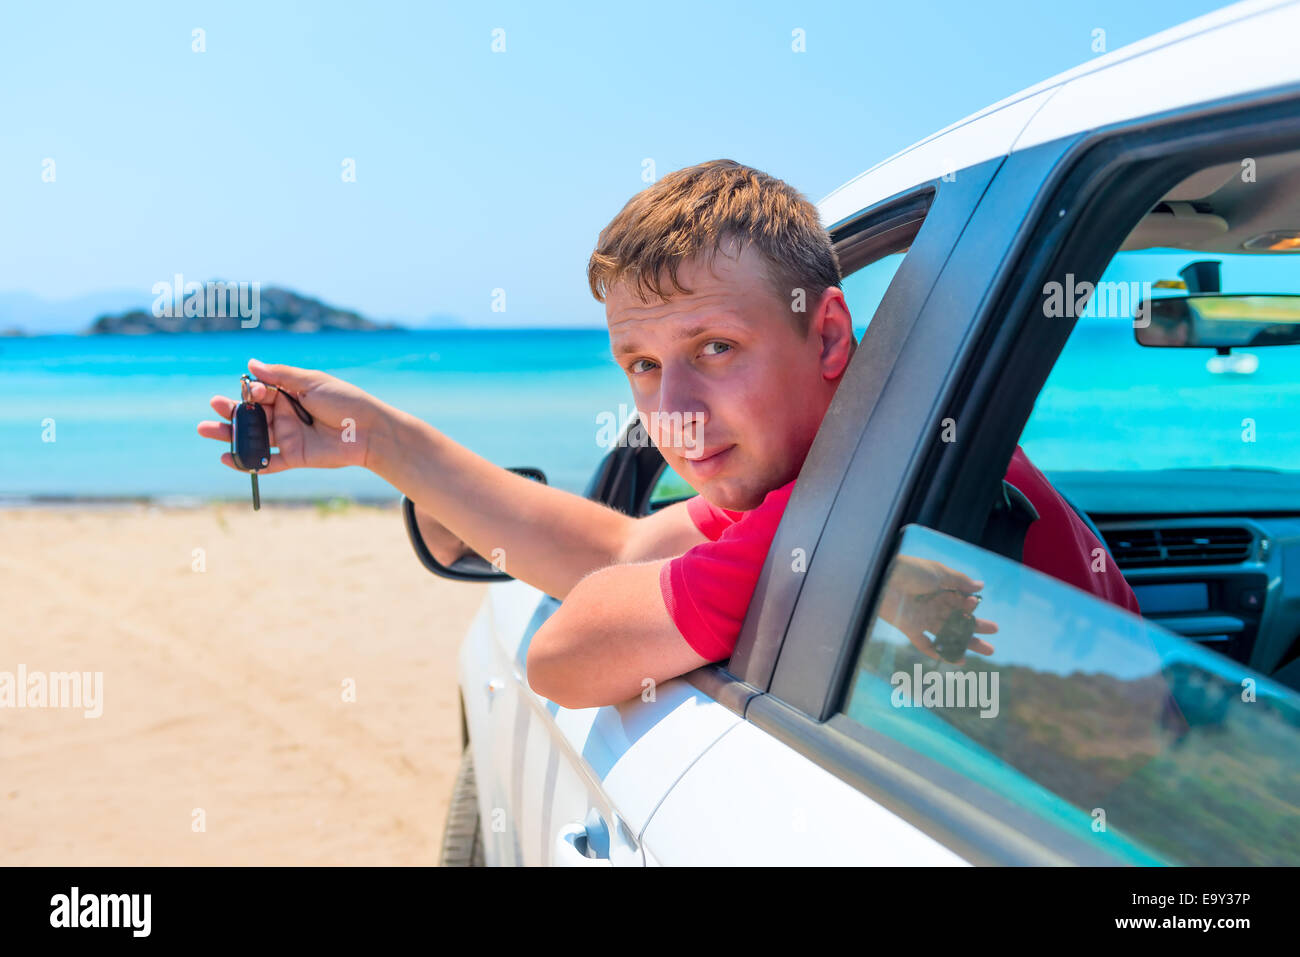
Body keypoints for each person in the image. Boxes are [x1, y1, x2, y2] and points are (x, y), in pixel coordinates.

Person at [198, 159, 1138, 710]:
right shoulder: (882, 459)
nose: (674, 408)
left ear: (829, 335)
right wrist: (372, 440)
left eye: (716, 346)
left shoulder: (841, 519)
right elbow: (618, 545)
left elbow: (562, 655)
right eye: (642, 365)